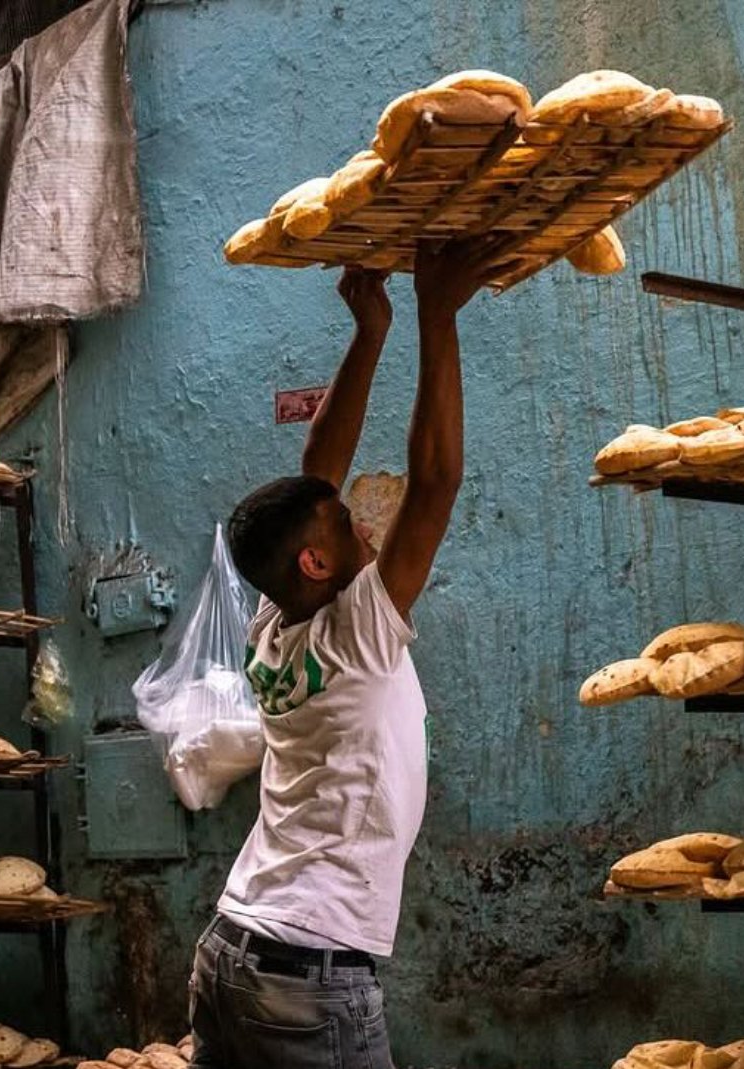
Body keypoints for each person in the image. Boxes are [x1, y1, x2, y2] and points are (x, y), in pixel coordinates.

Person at [188, 240, 496, 1069]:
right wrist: (437, 314)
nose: (364, 523)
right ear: (317, 562)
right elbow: (436, 482)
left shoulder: (274, 620)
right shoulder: (357, 632)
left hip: (231, 951)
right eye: (348, 524)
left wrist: (370, 332)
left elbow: (317, 471)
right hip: (307, 975)